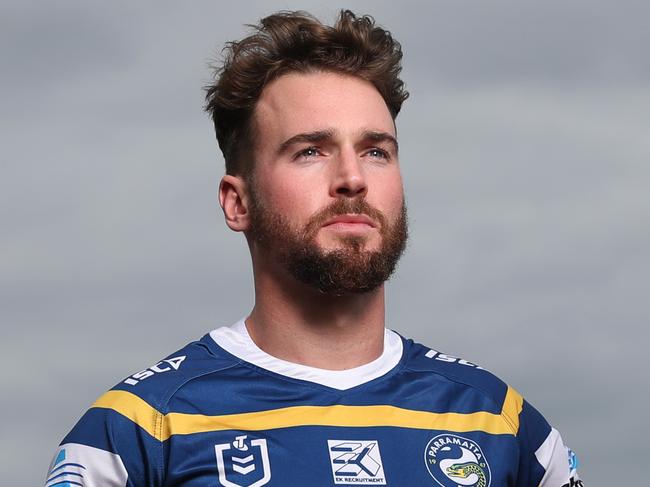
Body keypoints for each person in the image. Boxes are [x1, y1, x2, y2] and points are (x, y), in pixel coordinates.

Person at [45, 10, 583, 487]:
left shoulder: (499, 423)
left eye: (376, 151)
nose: (352, 178)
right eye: (310, 152)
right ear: (238, 203)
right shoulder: (139, 429)